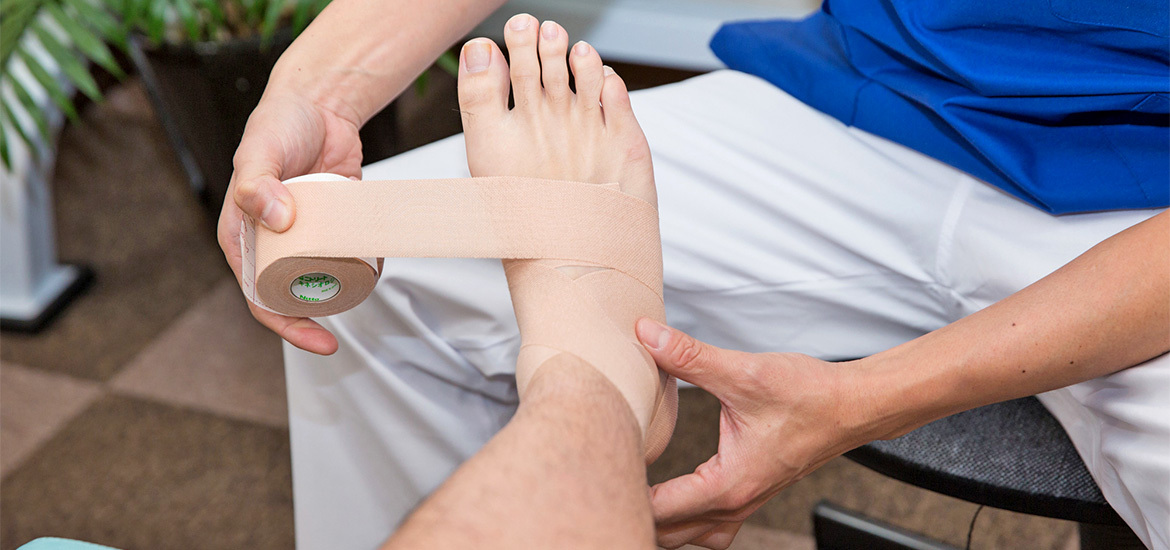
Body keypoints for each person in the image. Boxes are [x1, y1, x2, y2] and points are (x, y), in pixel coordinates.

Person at [217, 1, 1169, 549]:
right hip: (867, 99)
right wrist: (318, 89)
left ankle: (590, 378)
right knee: (383, 272)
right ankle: (593, 381)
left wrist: (864, 399)